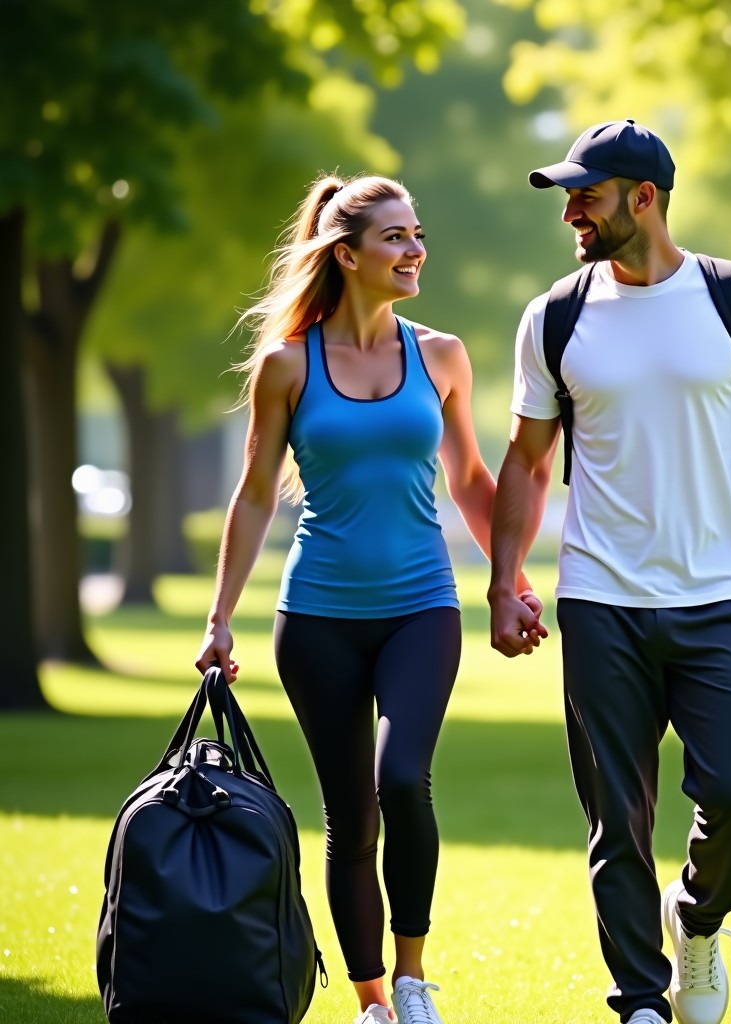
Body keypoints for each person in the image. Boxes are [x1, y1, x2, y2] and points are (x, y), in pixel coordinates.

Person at [195, 173, 542, 1024]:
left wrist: (509, 578)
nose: (416, 249)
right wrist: (218, 620)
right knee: (349, 820)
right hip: (315, 620)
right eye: (395, 237)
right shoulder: (286, 367)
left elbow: (467, 478)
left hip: (421, 607)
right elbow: (253, 496)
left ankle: (415, 977)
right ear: (346, 254)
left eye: (417, 234)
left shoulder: (442, 355)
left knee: (404, 779)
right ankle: (373, 999)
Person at [488, 120, 731, 1024]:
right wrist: (504, 579)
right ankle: (638, 1001)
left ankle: (697, 920)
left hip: (718, 597)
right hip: (600, 599)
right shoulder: (554, 316)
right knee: (616, 822)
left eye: (583, 197)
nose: (571, 216)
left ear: (644, 197)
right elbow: (525, 460)